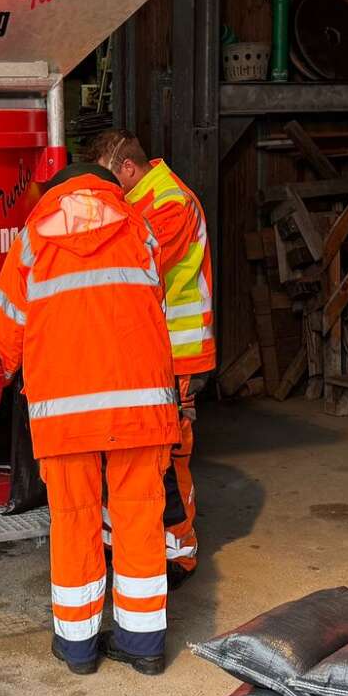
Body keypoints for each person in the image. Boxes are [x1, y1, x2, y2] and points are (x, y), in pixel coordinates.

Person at [0, 163, 179, 676]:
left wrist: (8, 368)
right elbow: (153, 300)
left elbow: (5, 319)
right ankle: (144, 646)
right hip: (139, 405)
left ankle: (77, 648)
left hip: (63, 410)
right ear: (108, 187)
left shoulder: (33, 238)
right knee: (139, 515)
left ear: (55, 192)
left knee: (74, 521)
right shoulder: (139, 228)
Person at [88, 130, 215, 584]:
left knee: (168, 459)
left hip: (177, 356)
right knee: (128, 455)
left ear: (127, 169)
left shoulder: (169, 202)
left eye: (108, 177)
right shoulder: (143, 200)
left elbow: (140, 262)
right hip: (148, 353)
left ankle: (178, 553)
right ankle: (126, 543)